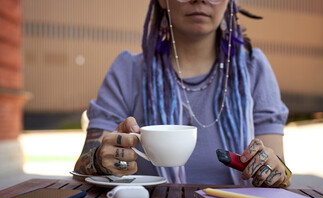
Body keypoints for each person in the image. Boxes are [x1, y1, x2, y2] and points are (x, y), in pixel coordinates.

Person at [74, 0, 291, 187]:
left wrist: (273, 168)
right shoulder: (127, 71)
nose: (200, 0)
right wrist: (100, 160)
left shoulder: (255, 68)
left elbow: (280, 171)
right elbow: (83, 167)